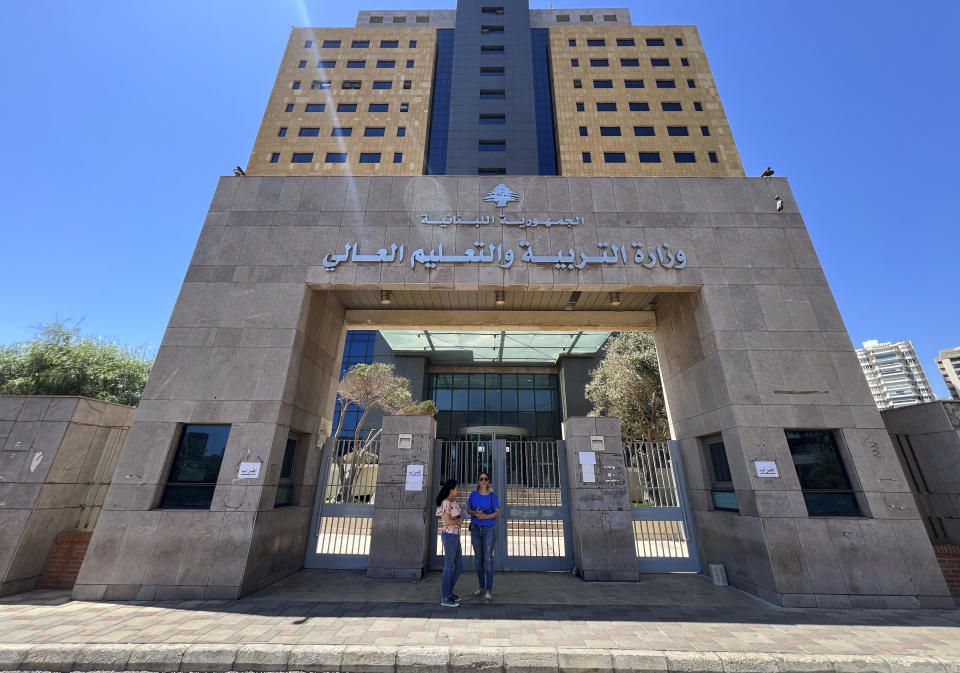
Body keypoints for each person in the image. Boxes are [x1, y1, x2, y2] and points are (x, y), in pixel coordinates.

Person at [466, 470, 500, 601]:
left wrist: (486, 516)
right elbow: (468, 509)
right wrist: (474, 512)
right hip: (475, 529)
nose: (484, 481)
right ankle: (481, 587)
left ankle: (489, 590)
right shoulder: (473, 495)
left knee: (488, 560)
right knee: (478, 560)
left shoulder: (492, 496)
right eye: (481, 479)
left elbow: (497, 511)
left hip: (488, 529)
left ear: (488, 481)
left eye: (486, 478)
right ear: (478, 481)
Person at [435, 478, 463, 608]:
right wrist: (457, 522)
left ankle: (449, 592)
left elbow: (453, 518)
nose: (458, 490)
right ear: (451, 490)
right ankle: (445, 597)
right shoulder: (446, 502)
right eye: (456, 488)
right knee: (449, 566)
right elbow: (447, 522)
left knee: (458, 566)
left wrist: (457, 520)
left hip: (455, 535)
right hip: (450, 536)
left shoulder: (451, 502)